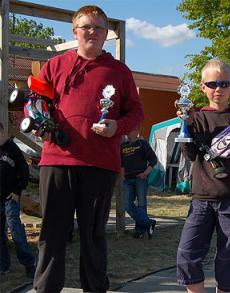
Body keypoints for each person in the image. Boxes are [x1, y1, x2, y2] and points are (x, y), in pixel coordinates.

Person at [32, 5, 144, 293]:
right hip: (56, 160)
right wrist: (37, 119)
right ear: (75, 31)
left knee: (94, 236)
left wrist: (116, 127)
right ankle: (45, 289)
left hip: (99, 165)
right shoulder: (55, 65)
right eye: (86, 27)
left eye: (98, 27)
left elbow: (135, 113)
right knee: (52, 234)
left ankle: (95, 289)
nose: (92, 32)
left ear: (106, 33)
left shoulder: (119, 71)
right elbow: (35, 102)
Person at [176, 59, 230, 293]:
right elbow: (190, 155)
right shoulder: (196, 117)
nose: (218, 89)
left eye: (224, 83)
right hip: (201, 197)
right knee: (187, 253)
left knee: (227, 255)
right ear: (202, 87)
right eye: (212, 84)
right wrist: (187, 124)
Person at [0, 122, 36, 278]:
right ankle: (3, 266)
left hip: (10, 197)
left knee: (15, 230)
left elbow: (23, 170)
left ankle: (29, 263)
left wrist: (17, 191)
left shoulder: (12, 148)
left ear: (3, 133)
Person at [121, 129, 158, 239]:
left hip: (140, 178)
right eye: (126, 131)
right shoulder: (122, 146)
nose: (127, 133)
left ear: (136, 131)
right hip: (127, 180)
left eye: (130, 131)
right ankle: (149, 223)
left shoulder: (142, 143)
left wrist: (145, 173)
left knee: (141, 205)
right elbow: (121, 163)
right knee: (127, 205)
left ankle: (140, 231)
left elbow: (153, 160)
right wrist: (122, 176)